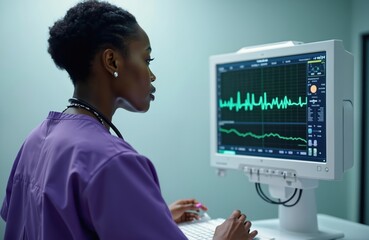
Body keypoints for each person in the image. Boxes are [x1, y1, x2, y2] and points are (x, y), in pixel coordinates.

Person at [0, 1, 258, 239]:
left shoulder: (36, 139)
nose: (152, 75)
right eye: (147, 59)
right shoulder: (112, 161)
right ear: (111, 60)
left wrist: (150, 218)